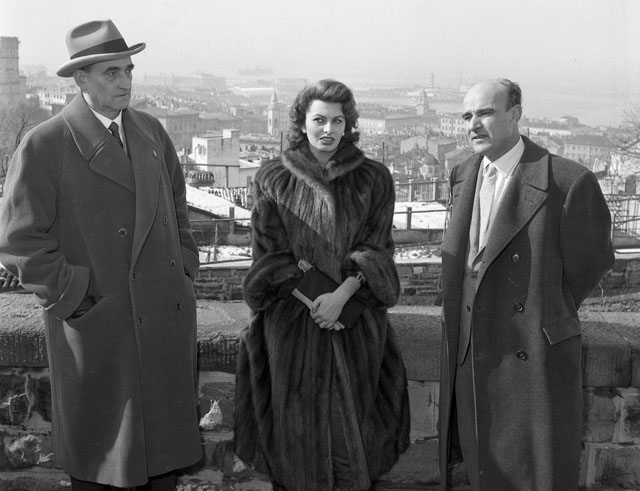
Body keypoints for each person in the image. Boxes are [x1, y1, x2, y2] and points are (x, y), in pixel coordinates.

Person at [0, 20, 202, 490]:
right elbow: (19, 241)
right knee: (104, 465)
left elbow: (177, 211)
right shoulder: (46, 143)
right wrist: (78, 298)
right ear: (81, 79)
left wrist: (184, 271)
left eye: (128, 70)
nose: (125, 81)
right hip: (100, 332)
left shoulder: (151, 132)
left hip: (163, 323)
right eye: (111, 72)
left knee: (162, 467)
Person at [438, 78, 614, 491]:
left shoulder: (568, 181)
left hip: (530, 359)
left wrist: (539, 308)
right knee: (479, 469)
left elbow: (591, 264)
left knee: (531, 473)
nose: (473, 124)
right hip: (469, 357)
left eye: (485, 112)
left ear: (515, 114)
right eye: (467, 115)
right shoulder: (463, 174)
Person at [234, 79, 410, 491]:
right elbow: (270, 256)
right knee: (295, 448)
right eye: (319, 120)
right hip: (292, 326)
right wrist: (317, 300)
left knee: (351, 446)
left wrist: (341, 297)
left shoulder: (374, 178)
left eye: (338, 121)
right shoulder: (273, 177)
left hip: (355, 325)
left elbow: (377, 250)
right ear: (302, 123)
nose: (328, 129)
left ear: (349, 124)